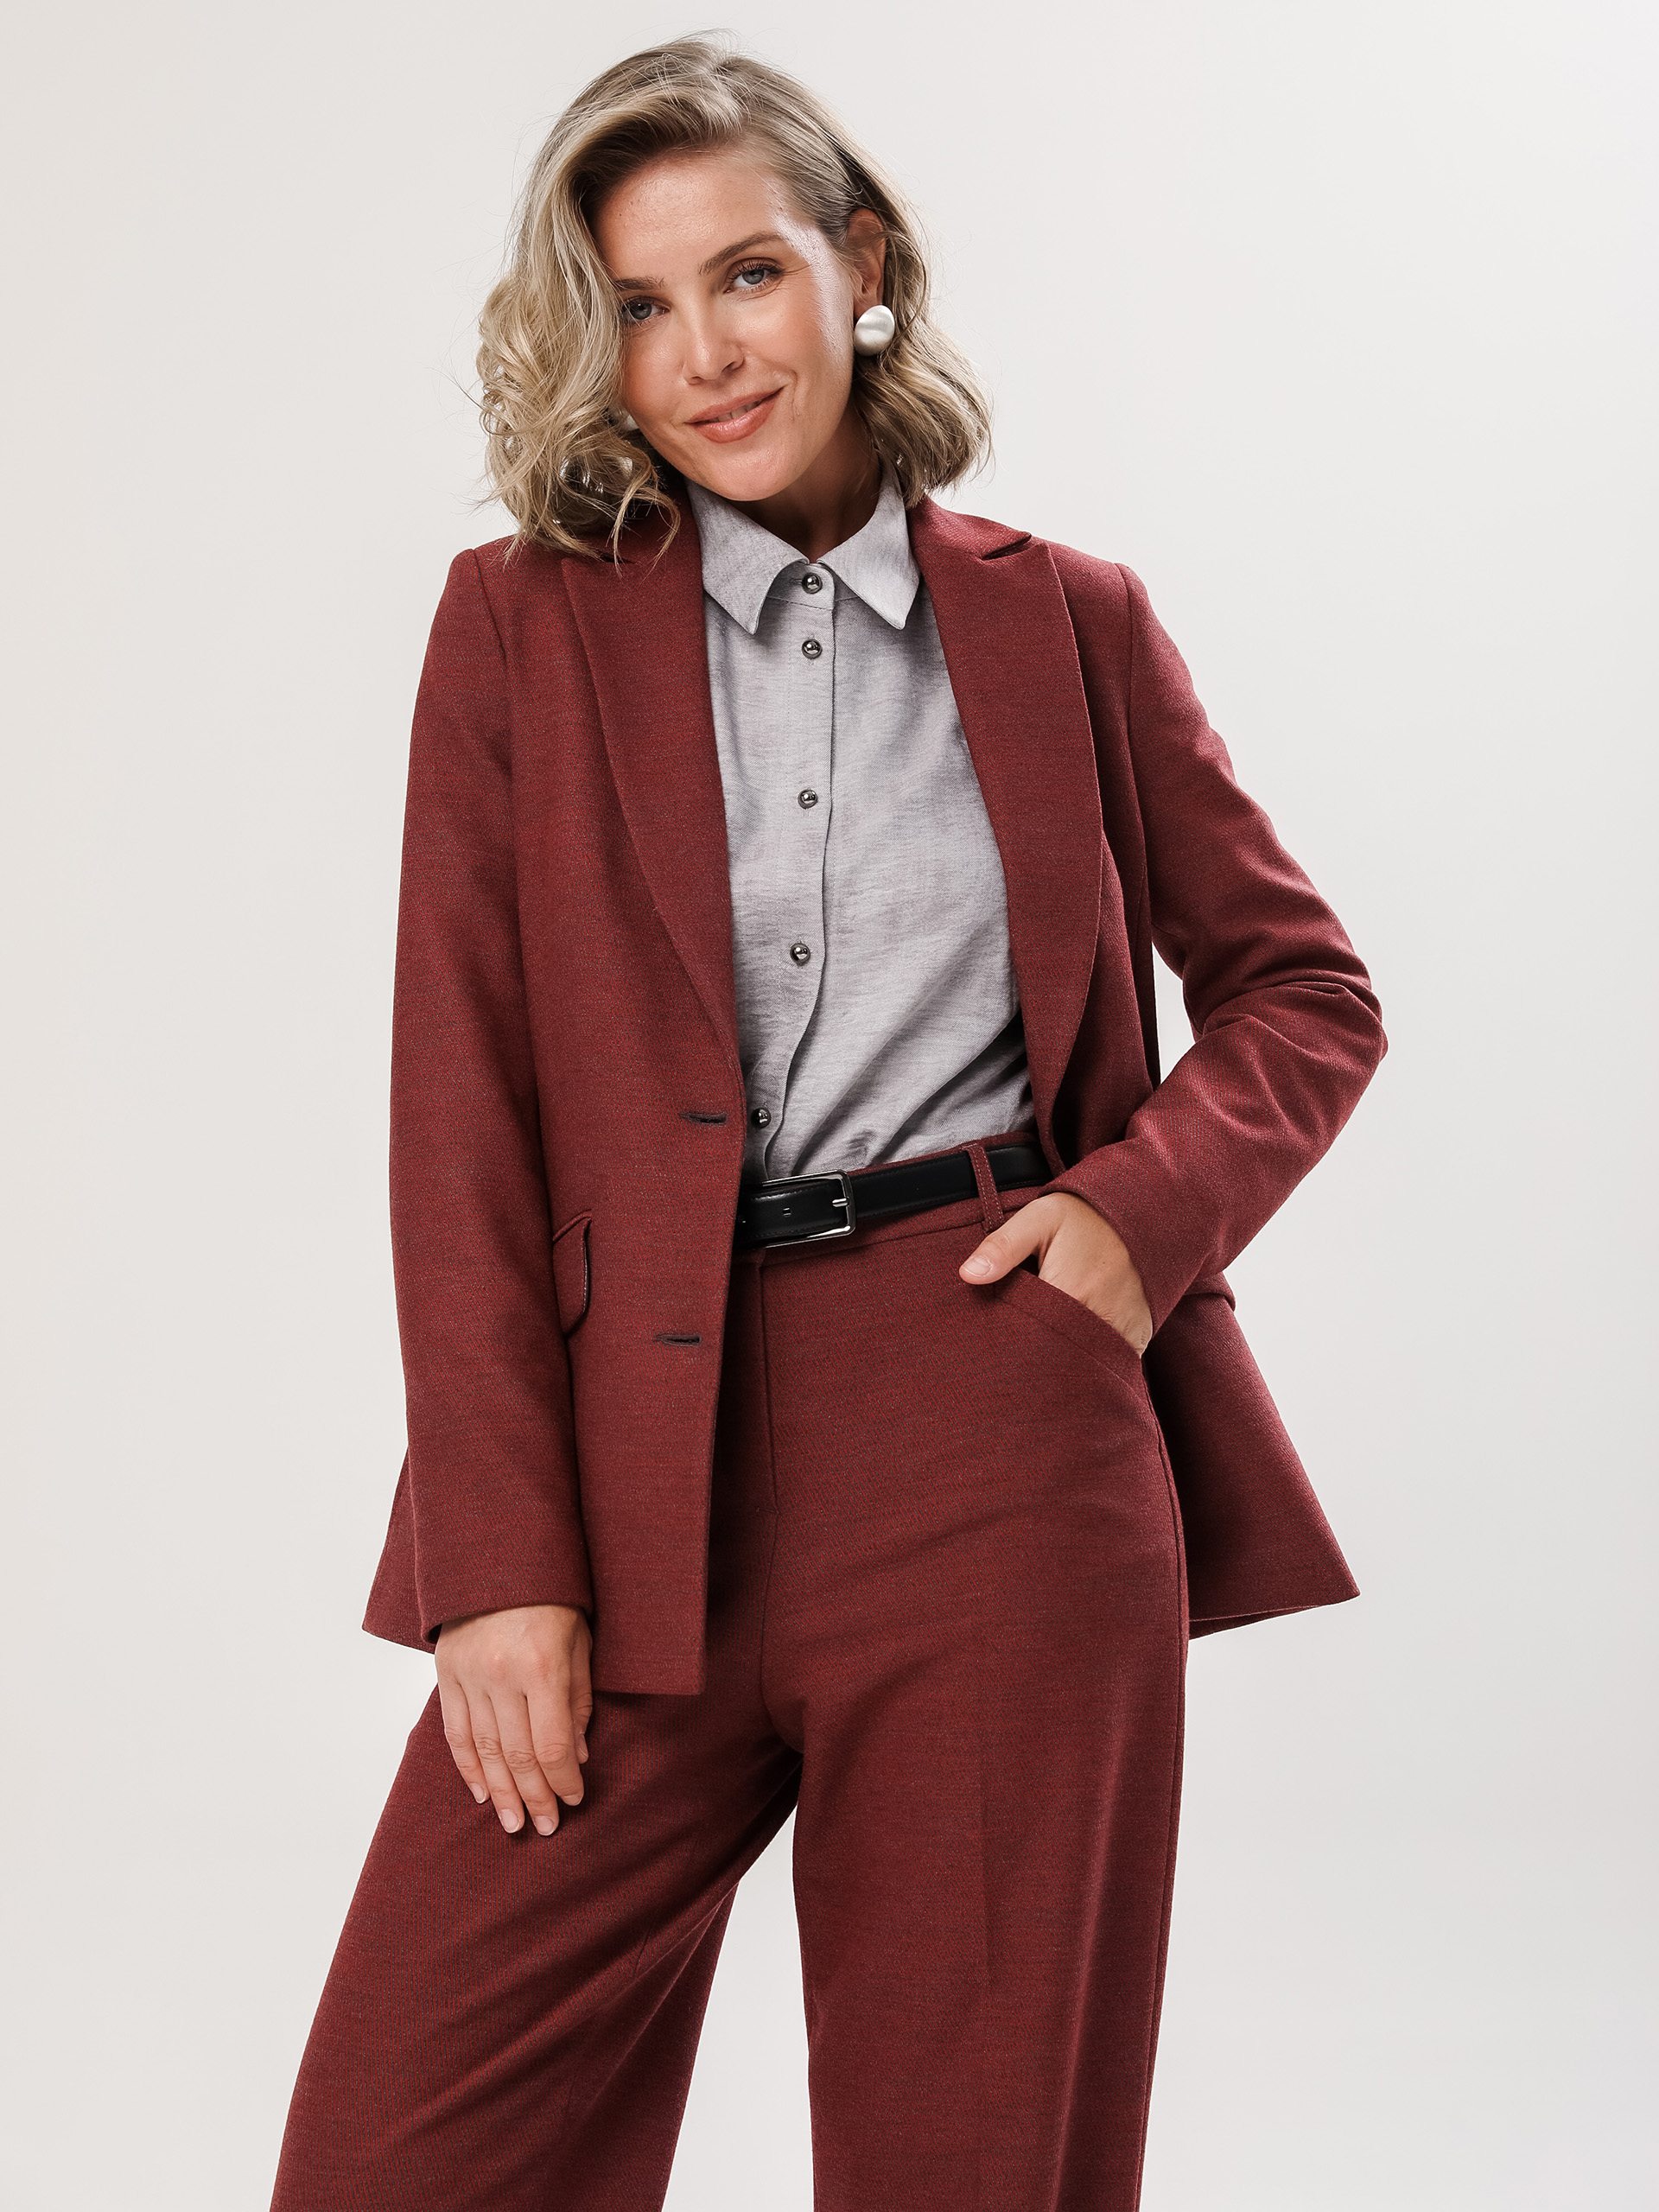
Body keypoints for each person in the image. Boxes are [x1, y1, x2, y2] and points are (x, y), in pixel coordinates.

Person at [270, 36, 1385, 2212]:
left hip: (997, 1437)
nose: (702, 352)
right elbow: (459, 1114)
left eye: (750, 275)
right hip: (626, 1467)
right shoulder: (516, 631)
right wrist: (501, 1563)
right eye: (641, 305)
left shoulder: (1067, 622)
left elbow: (1304, 987)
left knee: (975, 2162)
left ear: (861, 269)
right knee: (395, 2152)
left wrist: (1136, 1219)